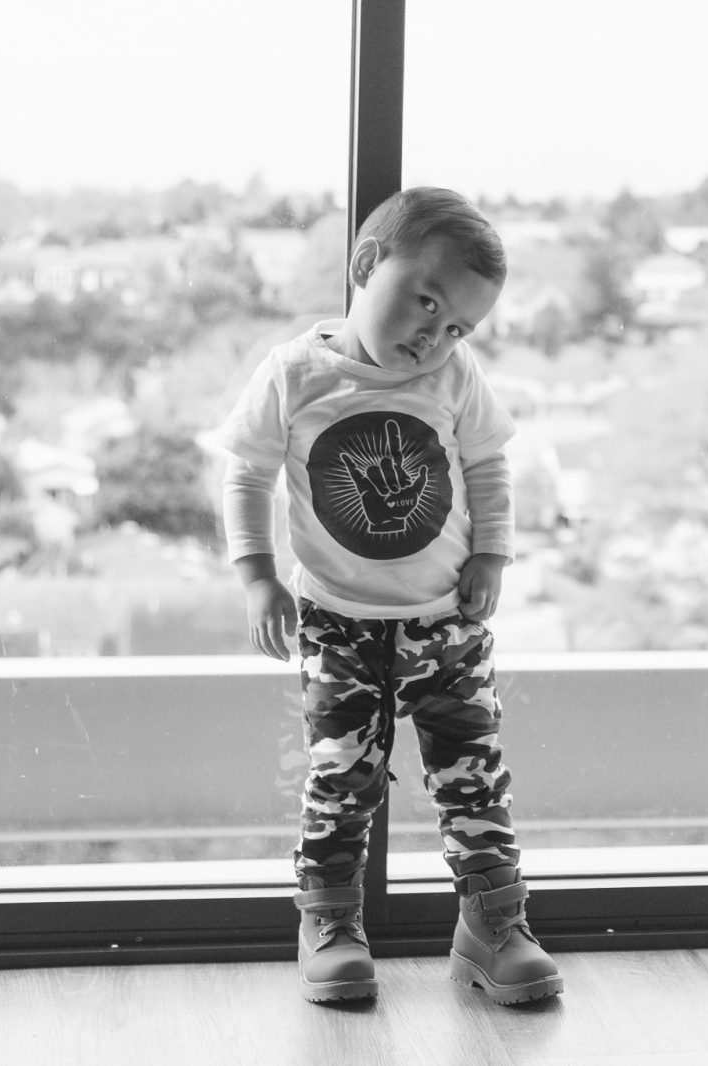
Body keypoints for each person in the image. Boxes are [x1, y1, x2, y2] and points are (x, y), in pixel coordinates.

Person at [216, 187, 563, 1006]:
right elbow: (246, 473)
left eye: (458, 327)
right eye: (427, 303)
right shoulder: (294, 373)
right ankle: (330, 922)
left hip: (446, 622)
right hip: (337, 624)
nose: (434, 337)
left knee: (473, 777)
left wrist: (493, 554)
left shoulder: (453, 375)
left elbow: (488, 464)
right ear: (366, 265)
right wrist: (258, 576)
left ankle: (494, 925)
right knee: (341, 778)